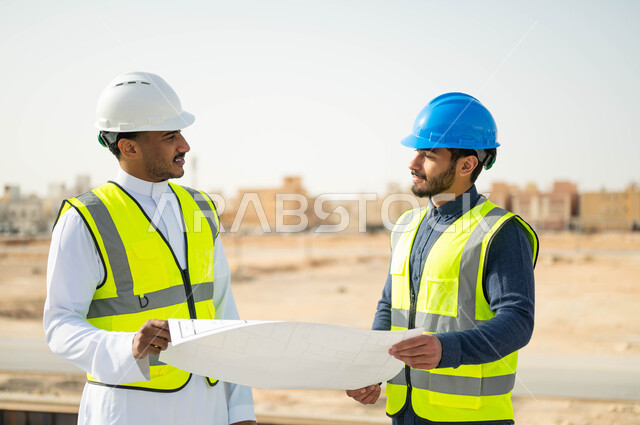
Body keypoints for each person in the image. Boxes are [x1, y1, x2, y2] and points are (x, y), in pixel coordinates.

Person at [43, 72, 257, 425]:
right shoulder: (86, 219)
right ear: (129, 147)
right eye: (170, 136)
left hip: (208, 407)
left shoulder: (200, 208)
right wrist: (127, 345)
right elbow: (60, 326)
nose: (185, 146)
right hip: (129, 409)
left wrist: (241, 410)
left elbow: (225, 313)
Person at [347, 92, 538, 424]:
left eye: (429, 155)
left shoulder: (500, 231)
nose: (413, 164)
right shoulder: (406, 226)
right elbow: (389, 306)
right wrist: (372, 368)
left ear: (466, 165)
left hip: (470, 418)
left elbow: (517, 322)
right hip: (405, 413)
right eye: (416, 153)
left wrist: (449, 349)